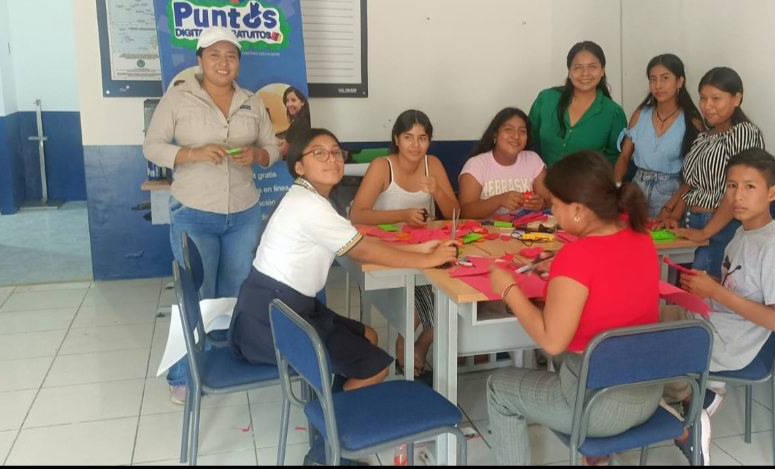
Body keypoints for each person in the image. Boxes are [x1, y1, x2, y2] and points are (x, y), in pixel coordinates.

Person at [226, 128, 458, 466]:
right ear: (299, 166)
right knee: (375, 367)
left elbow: (356, 238)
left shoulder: (312, 198)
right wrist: (426, 260)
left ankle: (330, 425)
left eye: (336, 152)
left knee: (369, 336)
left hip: (280, 306)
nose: (332, 159)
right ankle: (325, 455)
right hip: (275, 319)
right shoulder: (310, 207)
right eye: (319, 153)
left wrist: (419, 249)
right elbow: (362, 250)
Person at [484, 150, 663, 466]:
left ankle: (594, 446)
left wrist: (508, 289)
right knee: (569, 353)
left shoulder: (577, 257)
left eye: (555, 205)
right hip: (648, 393)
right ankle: (599, 455)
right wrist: (561, 270)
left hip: (598, 407)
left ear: (578, 209)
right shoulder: (641, 237)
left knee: (499, 389)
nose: (552, 212)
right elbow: (608, 277)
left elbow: (552, 341)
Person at [142, 26, 281, 404]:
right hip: (194, 211)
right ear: (200, 60)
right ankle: (182, 374)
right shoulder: (178, 98)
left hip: (243, 212)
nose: (223, 62)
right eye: (214, 55)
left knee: (237, 292)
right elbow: (152, 147)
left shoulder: (251, 102)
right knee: (197, 293)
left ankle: (226, 360)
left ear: (239, 62)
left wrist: (258, 155)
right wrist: (192, 154)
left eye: (231, 56)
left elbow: (272, 149)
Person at [670, 148, 775, 465]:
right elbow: (736, 285)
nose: (737, 196)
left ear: (772, 193)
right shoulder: (743, 231)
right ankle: (698, 394)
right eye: (731, 186)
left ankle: (691, 409)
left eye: (749, 187)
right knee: (643, 318)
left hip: (732, 341)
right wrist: (707, 283)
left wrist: (715, 291)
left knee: (645, 347)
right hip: (713, 319)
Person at [349, 110, 459, 378]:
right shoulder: (382, 166)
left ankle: (420, 342)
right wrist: (402, 215)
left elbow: (455, 213)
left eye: (422, 138)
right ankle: (405, 340)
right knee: (429, 294)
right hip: (386, 253)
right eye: (408, 137)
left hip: (425, 249)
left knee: (452, 291)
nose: (415, 144)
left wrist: (437, 191)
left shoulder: (433, 164)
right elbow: (357, 215)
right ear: (396, 139)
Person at [662, 67, 765, 273]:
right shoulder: (704, 138)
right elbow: (692, 185)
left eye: (716, 99)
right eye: (703, 98)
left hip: (719, 228)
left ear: (737, 99)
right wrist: (674, 216)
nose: (707, 106)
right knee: (682, 285)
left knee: (701, 288)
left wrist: (705, 232)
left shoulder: (743, 133)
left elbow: (737, 192)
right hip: (690, 222)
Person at [614, 54, 704, 218]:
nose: (658, 85)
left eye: (665, 78)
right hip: (637, 191)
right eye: (653, 79)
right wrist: (617, 187)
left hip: (671, 194)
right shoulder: (640, 114)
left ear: (680, 81)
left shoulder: (692, 121)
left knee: (662, 234)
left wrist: (672, 208)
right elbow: (624, 156)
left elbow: (696, 173)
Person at [529, 41, 626, 168]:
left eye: (592, 67)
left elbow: (615, 160)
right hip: (543, 179)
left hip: (590, 181)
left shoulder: (613, 113)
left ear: (602, 71)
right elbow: (528, 139)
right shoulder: (546, 99)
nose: (585, 73)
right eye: (578, 68)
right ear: (569, 72)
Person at [459, 107, 551, 219]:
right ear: (495, 134)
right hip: (486, 229)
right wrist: (499, 200)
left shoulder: (533, 160)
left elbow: (550, 202)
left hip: (526, 228)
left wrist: (542, 204)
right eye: (509, 129)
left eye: (522, 131)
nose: (516, 136)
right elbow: (465, 212)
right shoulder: (476, 165)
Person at [279, 86, 311, 157]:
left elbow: (283, 151)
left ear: (302, 102)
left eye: (293, 100)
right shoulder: (307, 119)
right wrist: (285, 141)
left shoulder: (297, 125)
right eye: (287, 101)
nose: (289, 104)